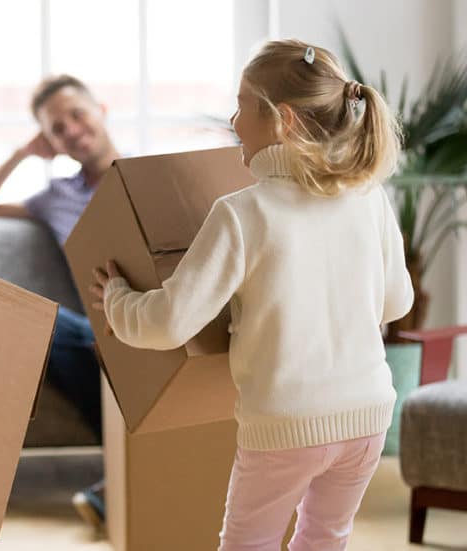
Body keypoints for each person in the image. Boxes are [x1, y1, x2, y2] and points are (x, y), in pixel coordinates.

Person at [90, 40, 413, 550]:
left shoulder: (243, 212)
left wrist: (115, 299)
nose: (233, 120)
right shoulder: (369, 196)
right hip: (368, 417)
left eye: (241, 105)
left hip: (287, 426)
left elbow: (171, 322)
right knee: (325, 538)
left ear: (282, 119)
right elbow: (397, 304)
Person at [0, 74, 119, 529]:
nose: (71, 129)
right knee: (36, 319)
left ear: (101, 110)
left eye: (76, 115)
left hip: (155, 318)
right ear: (48, 141)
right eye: (56, 128)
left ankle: (127, 476)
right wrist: (21, 154)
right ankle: (125, 472)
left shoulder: (148, 174)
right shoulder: (57, 197)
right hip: (95, 330)